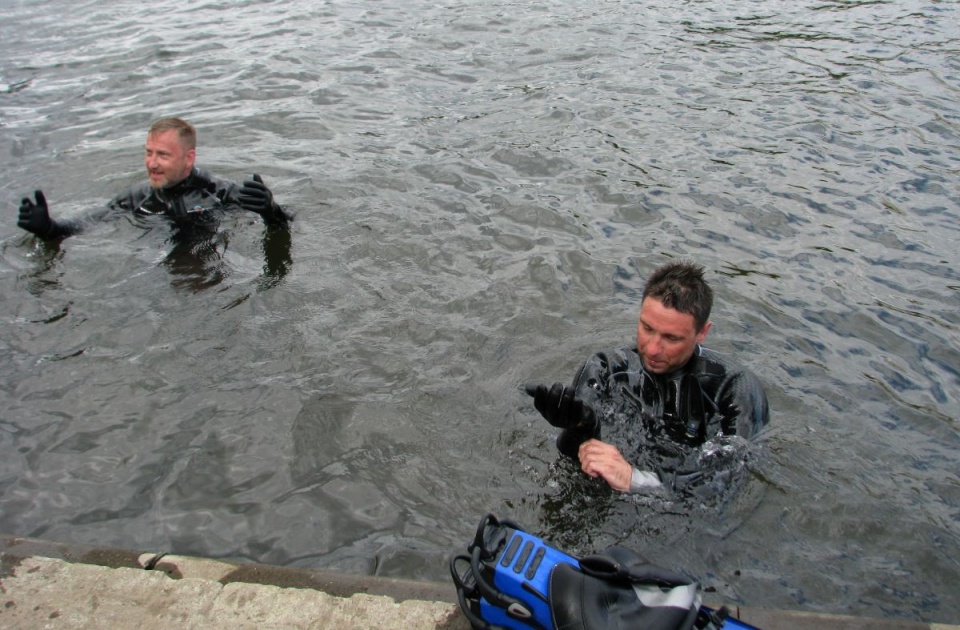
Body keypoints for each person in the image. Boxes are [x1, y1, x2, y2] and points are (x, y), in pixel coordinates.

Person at [526, 261, 769, 494]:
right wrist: (580, 426)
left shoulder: (734, 389)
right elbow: (573, 462)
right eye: (647, 328)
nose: (652, 349)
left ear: (702, 332)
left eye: (671, 338)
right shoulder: (606, 368)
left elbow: (725, 483)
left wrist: (635, 480)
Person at [16, 117, 293, 240]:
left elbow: (286, 223)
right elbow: (88, 223)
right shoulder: (137, 196)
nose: (151, 163)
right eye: (148, 153)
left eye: (162, 155)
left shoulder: (219, 192)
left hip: (208, 258)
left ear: (188, 158)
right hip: (160, 260)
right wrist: (50, 229)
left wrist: (271, 211)